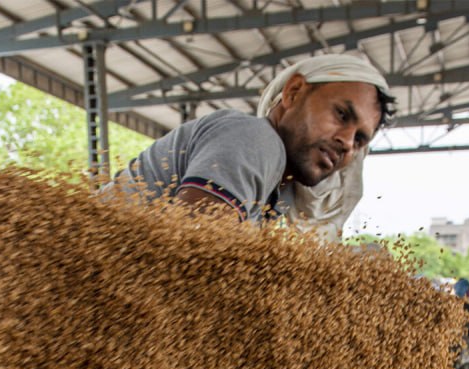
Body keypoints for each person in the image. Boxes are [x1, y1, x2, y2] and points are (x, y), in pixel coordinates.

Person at [106, 54, 396, 241]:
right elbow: (192, 254)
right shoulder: (256, 140)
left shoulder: (277, 190)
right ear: (293, 92)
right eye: (341, 115)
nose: (346, 142)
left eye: (359, 139)